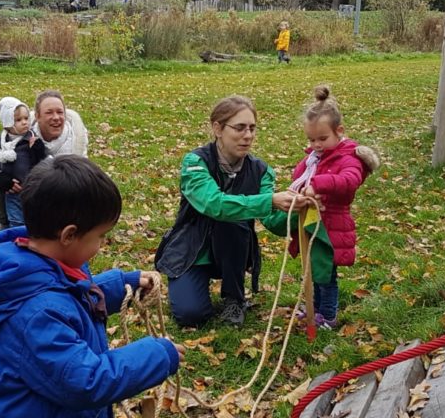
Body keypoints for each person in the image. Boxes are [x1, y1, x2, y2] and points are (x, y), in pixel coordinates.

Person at [0, 155, 182, 418]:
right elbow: (87, 381)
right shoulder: (36, 316)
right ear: (69, 234)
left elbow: (68, 293)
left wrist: (121, 285)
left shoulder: (41, 260)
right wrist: (157, 354)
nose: (101, 244)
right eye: (100, 236)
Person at [155, 95, 313, 327]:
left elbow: (273, 221)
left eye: (252, 128)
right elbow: (214, 204)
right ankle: (193, 285)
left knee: (235, 222)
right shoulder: (194, 163)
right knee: (191, 315)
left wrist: (296, 209)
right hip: (191, 250)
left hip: (233, 251)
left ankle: (234, 298)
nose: (247, 135)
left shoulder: (261, 171)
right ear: (217, 128)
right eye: (239, 128)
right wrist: (270, 200)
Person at [284, 86, 379, 329]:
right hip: (312, 223)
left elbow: (349, 181)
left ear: (339, 132)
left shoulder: (348, 158)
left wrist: (316, 184)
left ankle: (328, 315)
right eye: (311, 139)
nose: (316, 144)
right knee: (313, 269)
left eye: (322, 139)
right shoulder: (314, 158)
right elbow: (300, 174)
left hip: (332, 226)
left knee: (326, 275)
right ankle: (313, 307)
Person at [0, 90, 88, 234]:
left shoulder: (76, 138)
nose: (56, 118)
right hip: (20, 190)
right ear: (38, 116)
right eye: (49, 113)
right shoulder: (24, 132)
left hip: (54, 192)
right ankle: (3, 222)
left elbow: (80, 174)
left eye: (60, 112)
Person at [0, 97, 47, 228]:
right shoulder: (2, 140)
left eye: (26, 118)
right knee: (15, 220)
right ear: (7, 122)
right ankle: (15, 237)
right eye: (18, 120)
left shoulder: (30, 138)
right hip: (13, 190)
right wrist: (1, 176)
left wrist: (37, 149)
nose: (24, 123)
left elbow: (40, 162)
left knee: (34, 218)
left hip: (31, 189)